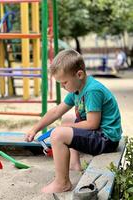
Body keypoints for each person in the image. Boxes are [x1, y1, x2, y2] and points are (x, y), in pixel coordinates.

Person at [25, 49, 122, 194]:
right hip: (99, 134)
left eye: (64, 82)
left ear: (79, 74)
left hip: (106, 139)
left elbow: (92, 124)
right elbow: (57, 111)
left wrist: (64, 128)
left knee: (58, 134)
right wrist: (35, 129)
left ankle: (62, 183)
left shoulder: (92, 91)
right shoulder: (77, 88)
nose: (62, 87)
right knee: (67, 117)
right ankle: (74, 164)